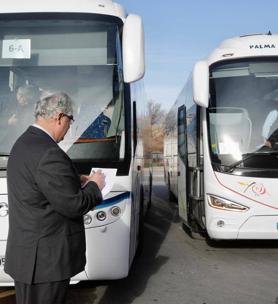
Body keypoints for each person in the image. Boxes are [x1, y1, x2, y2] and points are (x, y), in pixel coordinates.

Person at [4, 92, 106, 304]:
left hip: (28, 258)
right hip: (46, 262)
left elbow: (35, 185)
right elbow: (75, 205)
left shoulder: (23, 143)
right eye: (70, 121)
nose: (69, 128)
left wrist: (72, 179)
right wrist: (95, 185)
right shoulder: (49, 152)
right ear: (60, 117)